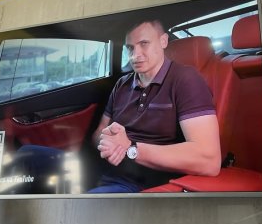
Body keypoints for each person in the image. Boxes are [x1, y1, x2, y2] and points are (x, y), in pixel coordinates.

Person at [88, 19, 221, 193]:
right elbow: (100, 131)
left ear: (163, 41)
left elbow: (209, 160)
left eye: (144, 44)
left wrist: (130, 148)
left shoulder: (186, 80)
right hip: (103, 172)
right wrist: (108, 143)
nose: (135, 55)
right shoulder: (121, 84)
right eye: (130, 48)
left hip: (140, 185)